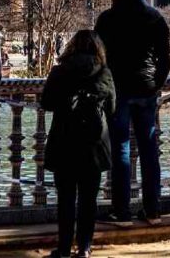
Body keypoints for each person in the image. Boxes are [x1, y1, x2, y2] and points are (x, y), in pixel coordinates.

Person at [94, 0, 170, 226]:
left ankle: (122, 211)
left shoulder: (107, 19)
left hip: (118, 91)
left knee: (121, 150)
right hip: (146, 89)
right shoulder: (155, 17)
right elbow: (167, 56)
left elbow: (98, 58)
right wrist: (156, 83)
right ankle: (153, 210)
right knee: (150, 150)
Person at [42, 30, 116, 258]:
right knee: (88, 200)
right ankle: (84, 247)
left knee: (65, 199)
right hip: (93, 144)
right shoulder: (104, 73)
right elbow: (112, 109)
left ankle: (64, 248)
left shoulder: (59, 71)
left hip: (64, 141)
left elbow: (47, 103)